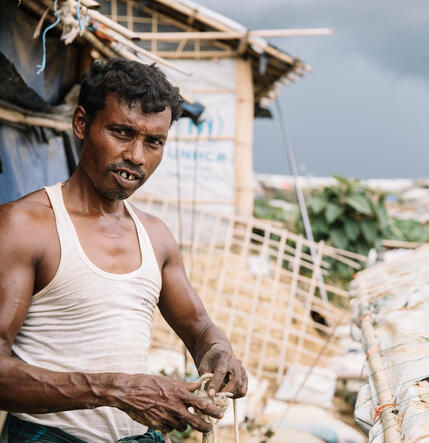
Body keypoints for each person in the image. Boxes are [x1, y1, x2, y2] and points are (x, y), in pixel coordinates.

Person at [0, 58, 247, 442]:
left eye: (154, 141)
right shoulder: (25, 226)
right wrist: (116, 390)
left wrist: (219, 354)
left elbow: (200, 329)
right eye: (122, 132)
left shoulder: (156, 236)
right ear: (81, 123)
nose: (136, 156)